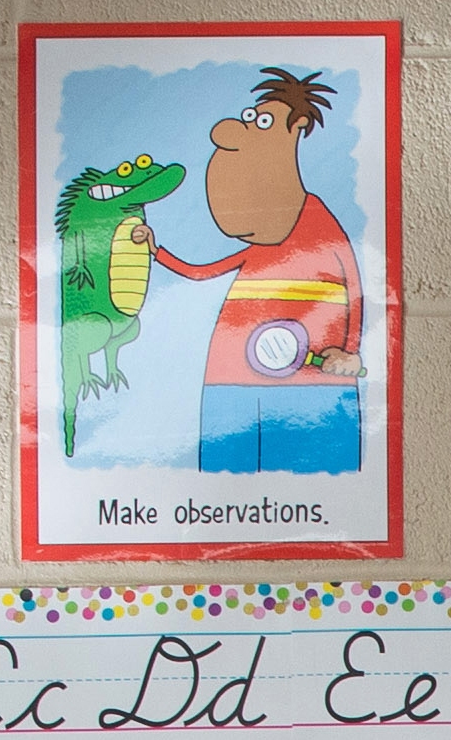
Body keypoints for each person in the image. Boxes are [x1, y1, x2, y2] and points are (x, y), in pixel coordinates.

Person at [133, 66, 371, 478]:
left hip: (313, 388)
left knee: (321, 488)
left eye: (263, 121)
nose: (233, 133)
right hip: (230, 383)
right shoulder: (263, 242)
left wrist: (350, 351)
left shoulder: (319, 227)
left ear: (295, 128)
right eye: (250, 118)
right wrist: (158, 252)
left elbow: (353, 289)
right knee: (225, 483)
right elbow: (204, 272)